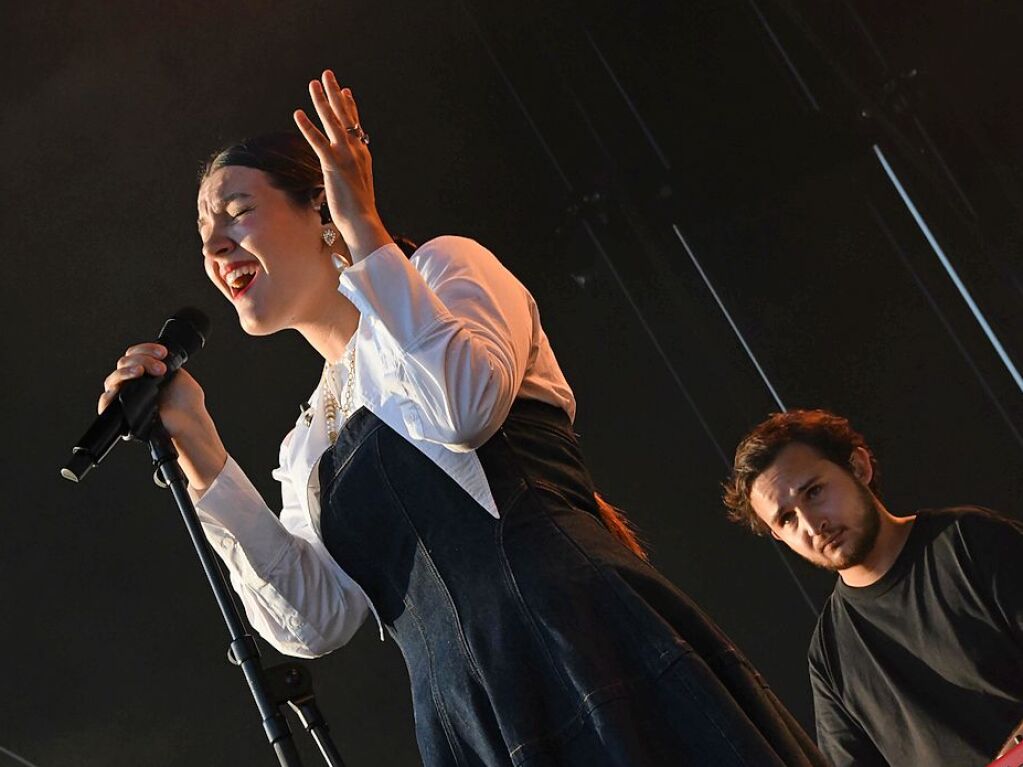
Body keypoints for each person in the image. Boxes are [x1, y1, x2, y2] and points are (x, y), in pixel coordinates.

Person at [100, 69, 826, 766]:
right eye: (203, 234)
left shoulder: (444, 269)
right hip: (463, 713)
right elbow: (313, 621)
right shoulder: (305, 441)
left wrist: (367, 230)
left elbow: (465, 409)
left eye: (236, 212)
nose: (214, 245)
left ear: (318, 205)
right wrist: (201, 451)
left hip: (577, 636)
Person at [723, 408, 1023, 767]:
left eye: (814, 492)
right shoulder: (829, 655)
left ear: (859, 467)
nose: (811, 524)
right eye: (786, 518)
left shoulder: (968, 542)